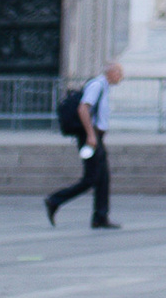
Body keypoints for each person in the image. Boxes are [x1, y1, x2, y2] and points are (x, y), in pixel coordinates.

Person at [45, 64, 122, 230]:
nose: (121, 77)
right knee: (91, 178)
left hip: (94, 136)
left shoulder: (103, 86)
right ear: (111, 72)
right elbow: (83, 109)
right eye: (119, 73)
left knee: (103, 177)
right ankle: (55, 200)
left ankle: (100, 217)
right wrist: (91, 135)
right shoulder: (97, 85)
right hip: (89, 137)